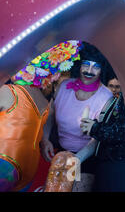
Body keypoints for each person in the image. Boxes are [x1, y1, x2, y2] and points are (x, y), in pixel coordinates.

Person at [0, 40, 81, 191]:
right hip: (29, 168)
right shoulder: (44, 102)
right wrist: (45, 141)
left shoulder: (9, 91)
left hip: (5, 162)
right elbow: (41, 121)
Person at [40, 42, 113, 192]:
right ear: (79, 65)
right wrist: (45, 139)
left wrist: (76, 160)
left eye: (96, 67)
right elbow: (50, 113)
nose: (90, 71)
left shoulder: (106, 96)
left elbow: (97, 138)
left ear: (102, 70)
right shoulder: (63, 86)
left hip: (86, 159)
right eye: (86, 64)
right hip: (59, 153)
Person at [79, 76, 125, 192]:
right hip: (106, 161)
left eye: (117, 86)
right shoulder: (115, 99)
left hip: (119, 164)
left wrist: (94, 128)